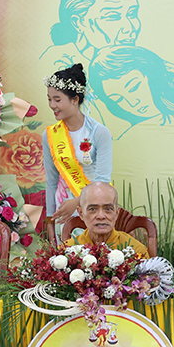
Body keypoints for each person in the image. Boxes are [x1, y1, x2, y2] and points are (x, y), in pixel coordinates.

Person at [88, 44, 174, 136]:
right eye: (118, 99)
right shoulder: (130, 133)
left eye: (134, 87)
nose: (132, 103)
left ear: (154, 76)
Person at [42, 64, 113, 227]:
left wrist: (77, 202)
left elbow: (102, 181)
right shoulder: (50, 134)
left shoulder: (99, 132)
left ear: (75, 100)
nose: (52, 105)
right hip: (62, 209)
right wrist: (50, 219)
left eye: (57, 100)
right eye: (49, 99)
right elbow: (51, 181)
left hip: (95, 208)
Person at [40, 0, 141, 73]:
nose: (130, 28)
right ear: (78, 23)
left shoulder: (134, 64)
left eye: (132, 13)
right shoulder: (59, 63)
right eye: (112, 16)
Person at [62, 181, 147, 257]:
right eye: (92, 209)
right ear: (81, 213)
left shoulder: (136, 251)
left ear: (117, 213)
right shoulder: (67, 251)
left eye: (108, 209)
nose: (101, 216)